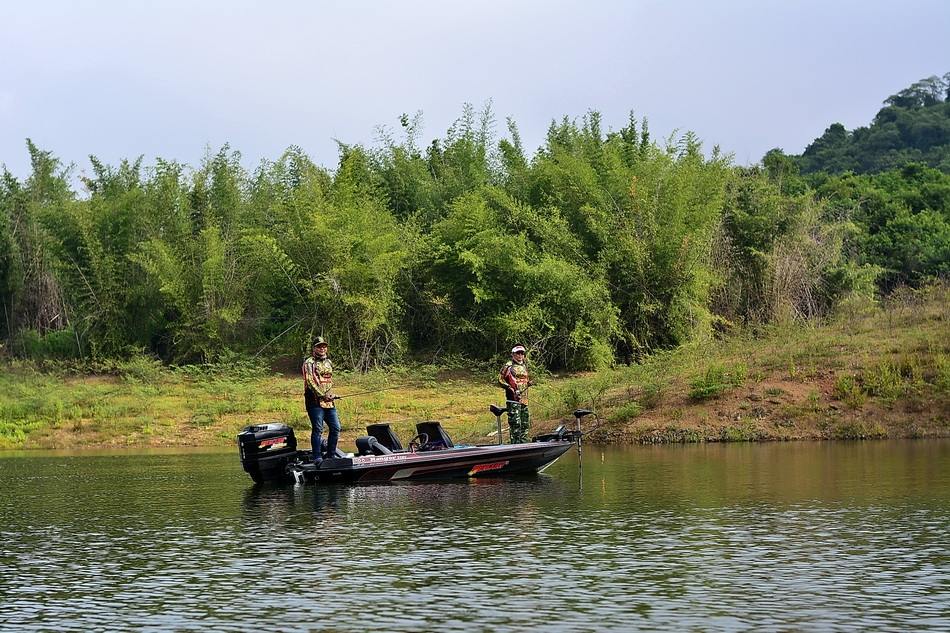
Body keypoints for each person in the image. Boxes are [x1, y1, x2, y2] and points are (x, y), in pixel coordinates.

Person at [302, 336, 340, 464]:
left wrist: (331, 394)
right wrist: (322, 395)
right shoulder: (309, 362)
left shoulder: (329, 363)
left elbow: (329, 382)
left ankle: (331, 456)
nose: (322, 348)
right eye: (319, 346)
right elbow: (310, 381)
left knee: (336, 428)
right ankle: (317, 457)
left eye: (324, 346)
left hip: (329, 402)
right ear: (314, 348)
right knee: (318, 428)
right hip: (314, 402)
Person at [499, 344, 532, 443]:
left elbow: (525, 379)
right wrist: (509, 387)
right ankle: (515, 445)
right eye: (518, 353)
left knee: (525, 424)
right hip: (513, 400)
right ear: (513, 354)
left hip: (524, 399)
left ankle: (524, 445)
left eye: (522, 353)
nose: (520, 355)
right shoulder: (508, 365)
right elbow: (500, 379)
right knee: (516, 424)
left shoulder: (524, 365)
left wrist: (528, 383)